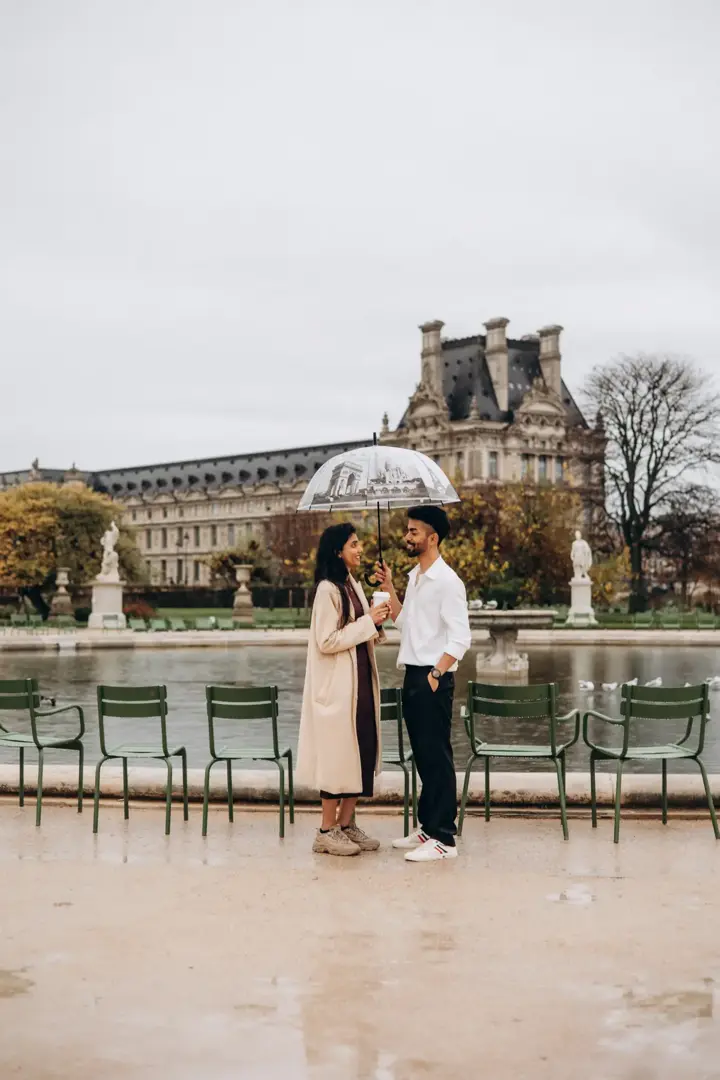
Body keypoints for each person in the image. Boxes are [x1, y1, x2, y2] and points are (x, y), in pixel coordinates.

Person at [374, 506, 471, 862]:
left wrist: (435, 674)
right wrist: (389, 590)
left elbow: (461, 638)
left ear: (433, 538)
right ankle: (428, 828)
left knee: (438, 758)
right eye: (407, 531)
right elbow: (406, 624)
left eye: (414, 532)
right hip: (413, 674)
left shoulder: (448, 582)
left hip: (432, 677)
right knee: (424, 758)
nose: (407, 537)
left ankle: (444, 838)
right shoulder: (416, 577)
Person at [297, 523, 391, 857]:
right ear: (338, 550)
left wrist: (375, 622)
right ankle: (326, 830)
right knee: (338, 756)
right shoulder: (327, 589)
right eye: (354, 544)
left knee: (362, 750)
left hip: (360, 680)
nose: (360, 549)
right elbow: (327, 640)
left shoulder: (351, 584)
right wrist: (368, 623)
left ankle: (347, 824)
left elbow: (359, 629)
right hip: (339, 686)